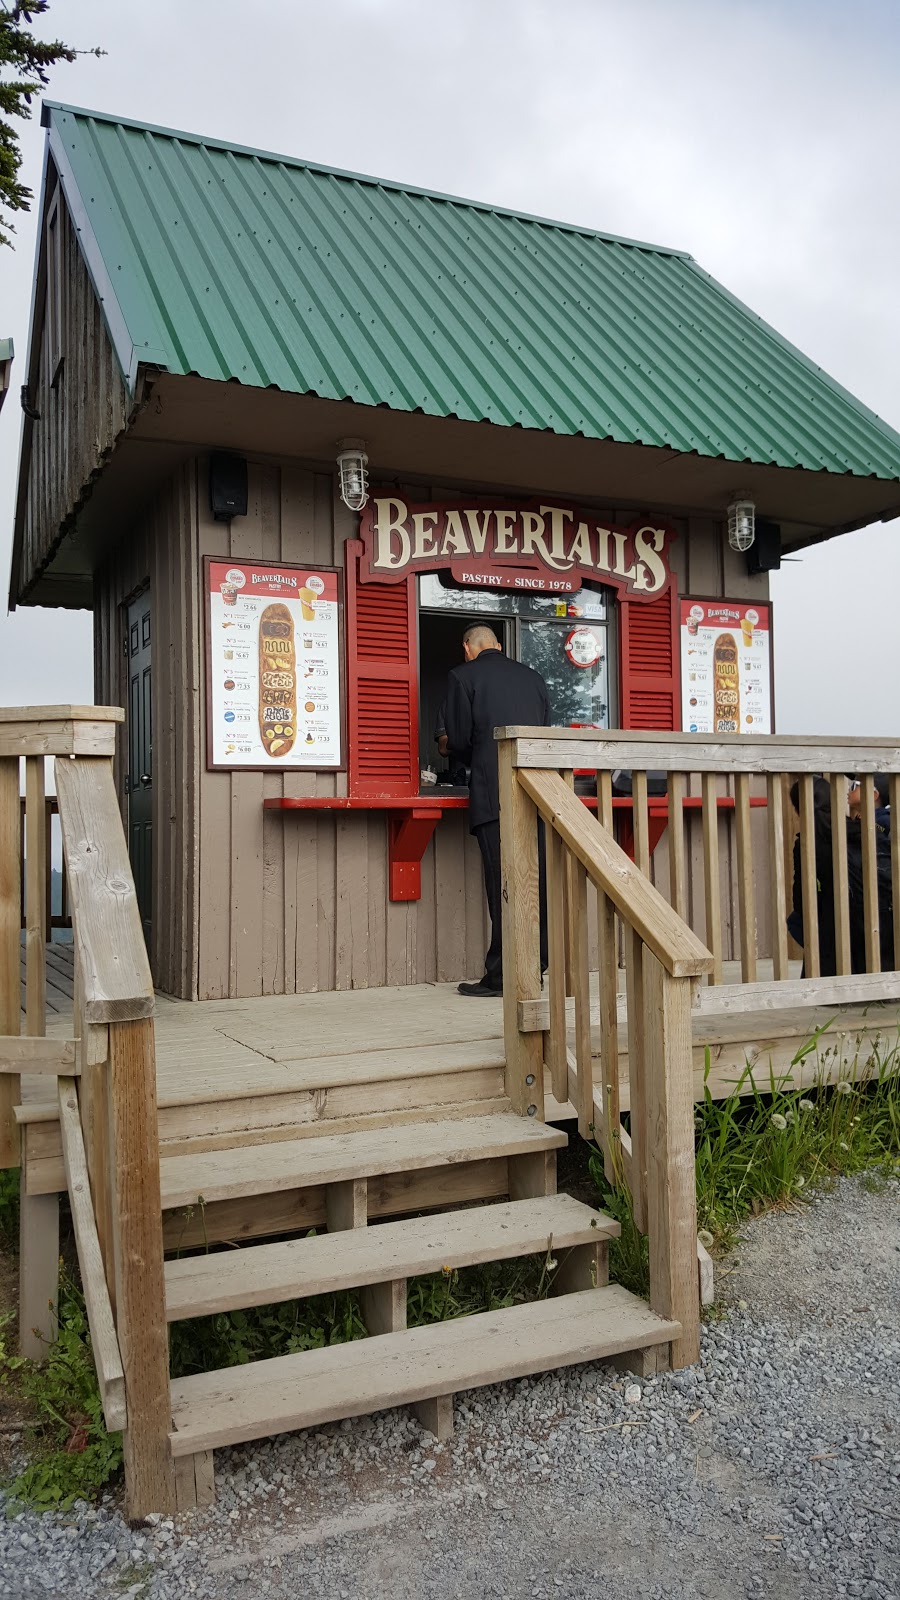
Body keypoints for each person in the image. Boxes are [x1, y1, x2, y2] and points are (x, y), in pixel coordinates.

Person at [444, 624, 550, 996]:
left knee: (502, 885)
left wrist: (446, 745)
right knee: (534, 884)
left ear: (467, 648)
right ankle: (535, 966)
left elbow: (457, 740)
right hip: (536, 793)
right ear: (499, 646)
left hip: (493, 795)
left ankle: (503, 977)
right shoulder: (534, 678)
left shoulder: (462, 676)